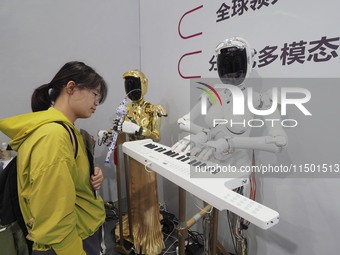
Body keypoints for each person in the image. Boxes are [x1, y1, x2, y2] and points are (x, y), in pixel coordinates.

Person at [0, 61, 108, 255]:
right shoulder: (54, 136)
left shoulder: (64, 130)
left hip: (80, 228)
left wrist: (90, 176)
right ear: (71, 88)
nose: (97, 103)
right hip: (71, 242)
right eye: (95, 94)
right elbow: (54, 217)